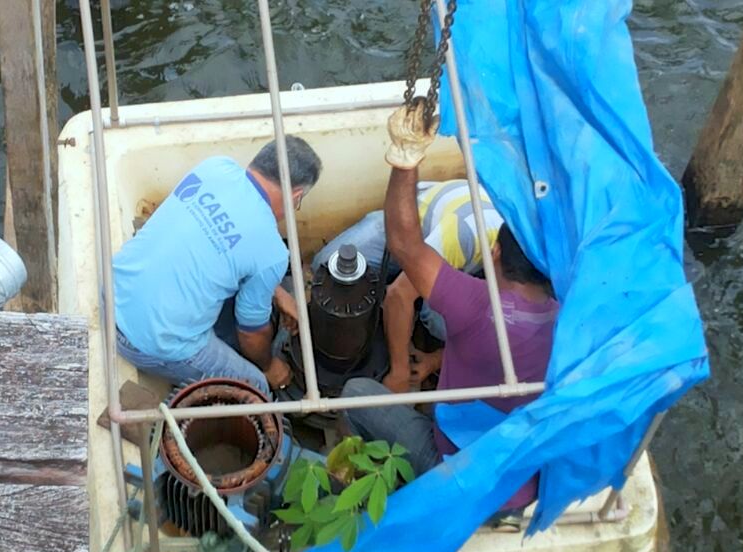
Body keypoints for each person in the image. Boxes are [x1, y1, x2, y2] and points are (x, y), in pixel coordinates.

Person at [341, 100, 558, 514]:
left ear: (494, 253)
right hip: (523, 481)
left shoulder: (476, 305)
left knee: (353, 393)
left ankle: (379, 488)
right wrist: (440, 357)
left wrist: (406, 159)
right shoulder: (575, 313)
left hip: (458, 476)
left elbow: (404, 242)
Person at [112, 136, 322, 396]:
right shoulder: (272, 251)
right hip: (149, 343)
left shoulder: (214, 167)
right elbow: (251, 335)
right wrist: (268, 366)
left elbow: (226, 250)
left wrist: (277, 293)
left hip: (114, 293)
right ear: (296, 195)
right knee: (255, 385)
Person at [311, 178, 505, 393]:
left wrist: (434, 361)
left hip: (452, 255)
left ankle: (416, 312)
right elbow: (397, 296)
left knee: (439, 322)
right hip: (413, 223)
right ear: (497, 252)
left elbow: (500, 334)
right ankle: (408, 306)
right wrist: (399, 371)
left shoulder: (534, 262)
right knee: (325, 264)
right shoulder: (463, 236)